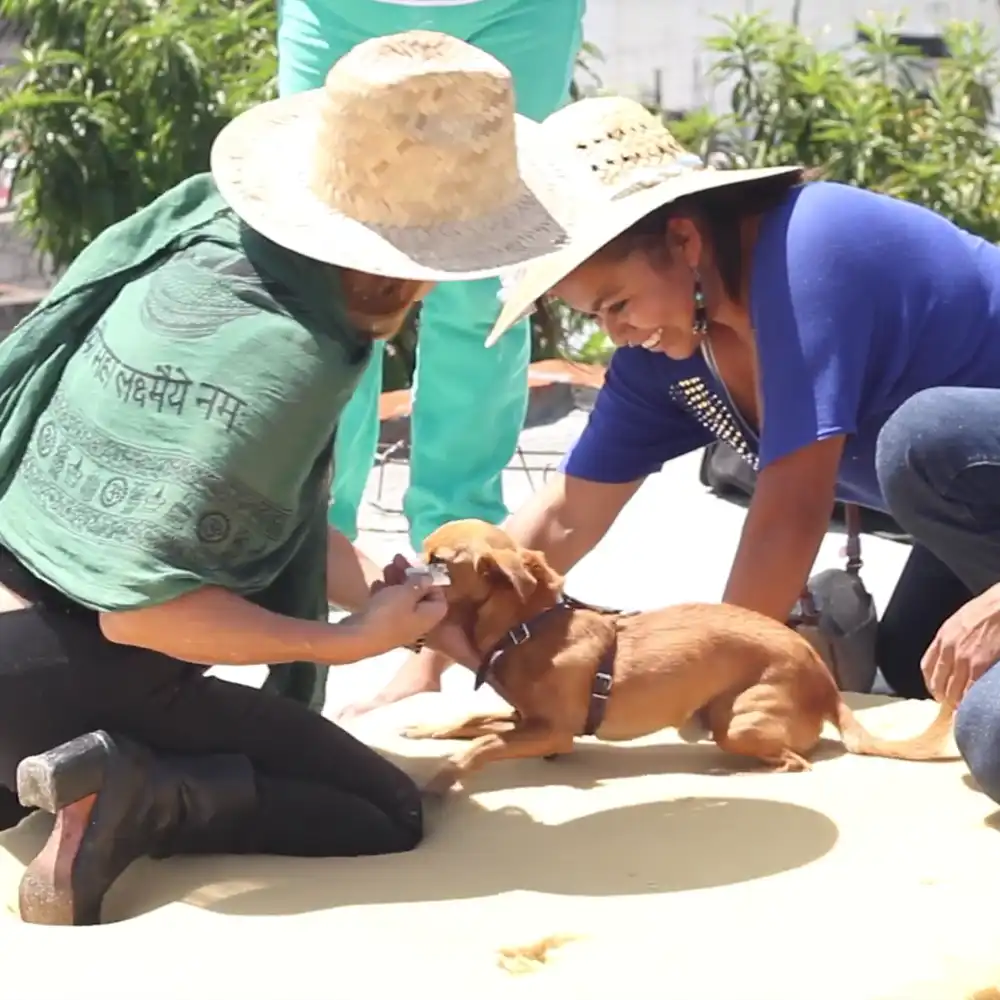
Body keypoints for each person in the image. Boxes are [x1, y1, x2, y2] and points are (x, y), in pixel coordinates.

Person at [0, 30, 579, 925]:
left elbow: (248, 509)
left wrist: (389, 590)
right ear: (422, 262)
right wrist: (355, 641)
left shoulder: (202, 234)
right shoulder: (296, 358)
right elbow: (145, 611)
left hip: (14, 615)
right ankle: (135, 788)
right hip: (56, 661)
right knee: (381, 812)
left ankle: (38, 771)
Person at [369, 94, 1000, 807]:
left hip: (966, 459)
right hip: (973, 518)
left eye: (617, 304)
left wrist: (717, 680)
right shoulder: (668, 351)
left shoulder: (809, 251)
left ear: (685, 242)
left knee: (927, 439)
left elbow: (790, 510)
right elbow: (568, 514)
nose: (614, 335)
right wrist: (429, 655)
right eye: (592, 317)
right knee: (924, 671)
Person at [277, 1, 586, 714]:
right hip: (341, 11)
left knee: (484, 286)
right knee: (328, 271)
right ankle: (310, 570)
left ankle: (450, 611)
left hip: (511, 11)